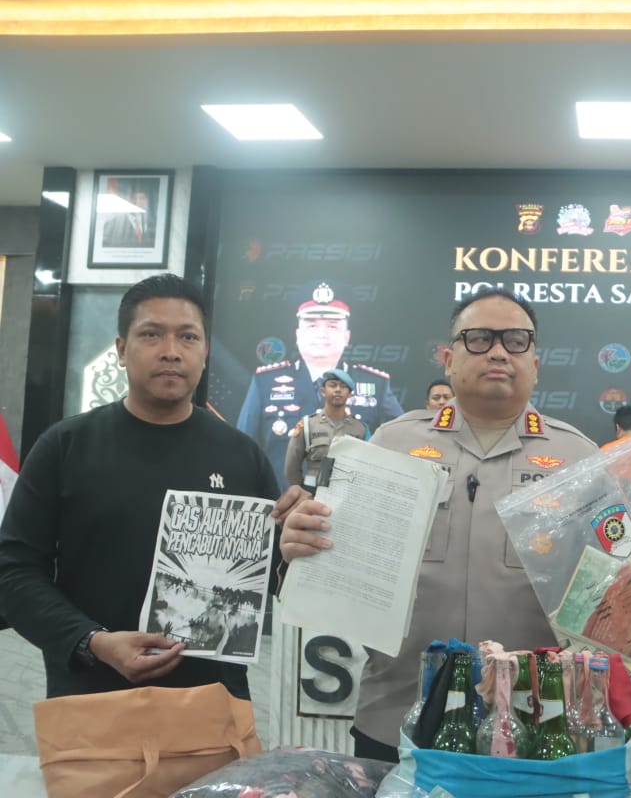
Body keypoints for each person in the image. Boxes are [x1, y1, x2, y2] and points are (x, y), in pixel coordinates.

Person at [279, 286, 631, 761]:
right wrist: (302, 545)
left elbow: (626, 602)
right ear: (448, 359)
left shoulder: (577, 457)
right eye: (479, 339)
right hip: (398, 716)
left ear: (535, 362)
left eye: (516, 340)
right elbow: (336, 564)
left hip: (536, 726)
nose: (497, 352)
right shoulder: (391, 444)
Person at [0, 274, 301, 699]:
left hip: (212, 705)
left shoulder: (242, 456)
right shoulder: (65, 447)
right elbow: (13, 572)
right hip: (92, 700)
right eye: (151, 334)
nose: (171, 351)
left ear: (204, 351)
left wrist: (295, 547)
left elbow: (272, 579)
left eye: (188, 337)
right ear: (122, 349)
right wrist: (92, 641)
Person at [237, 282, 403, 489]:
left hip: (347, 503)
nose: (322, 334)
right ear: (298, 334)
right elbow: (243, 449)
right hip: (284, 502)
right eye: (312, 325)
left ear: (347, 336)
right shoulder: (265, 382)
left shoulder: (375, 384)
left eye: (332, 326)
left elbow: (401, 443)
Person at [283, 368, 369, 490]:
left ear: (350, 394)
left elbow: (366, 467)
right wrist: (301, 492)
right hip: (312, 492)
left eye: (343, 387)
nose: (338, 389)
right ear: (323, 391)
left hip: (345, 492)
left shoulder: (360, 429)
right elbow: (292, 467)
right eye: (333, 385)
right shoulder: (308, 425)